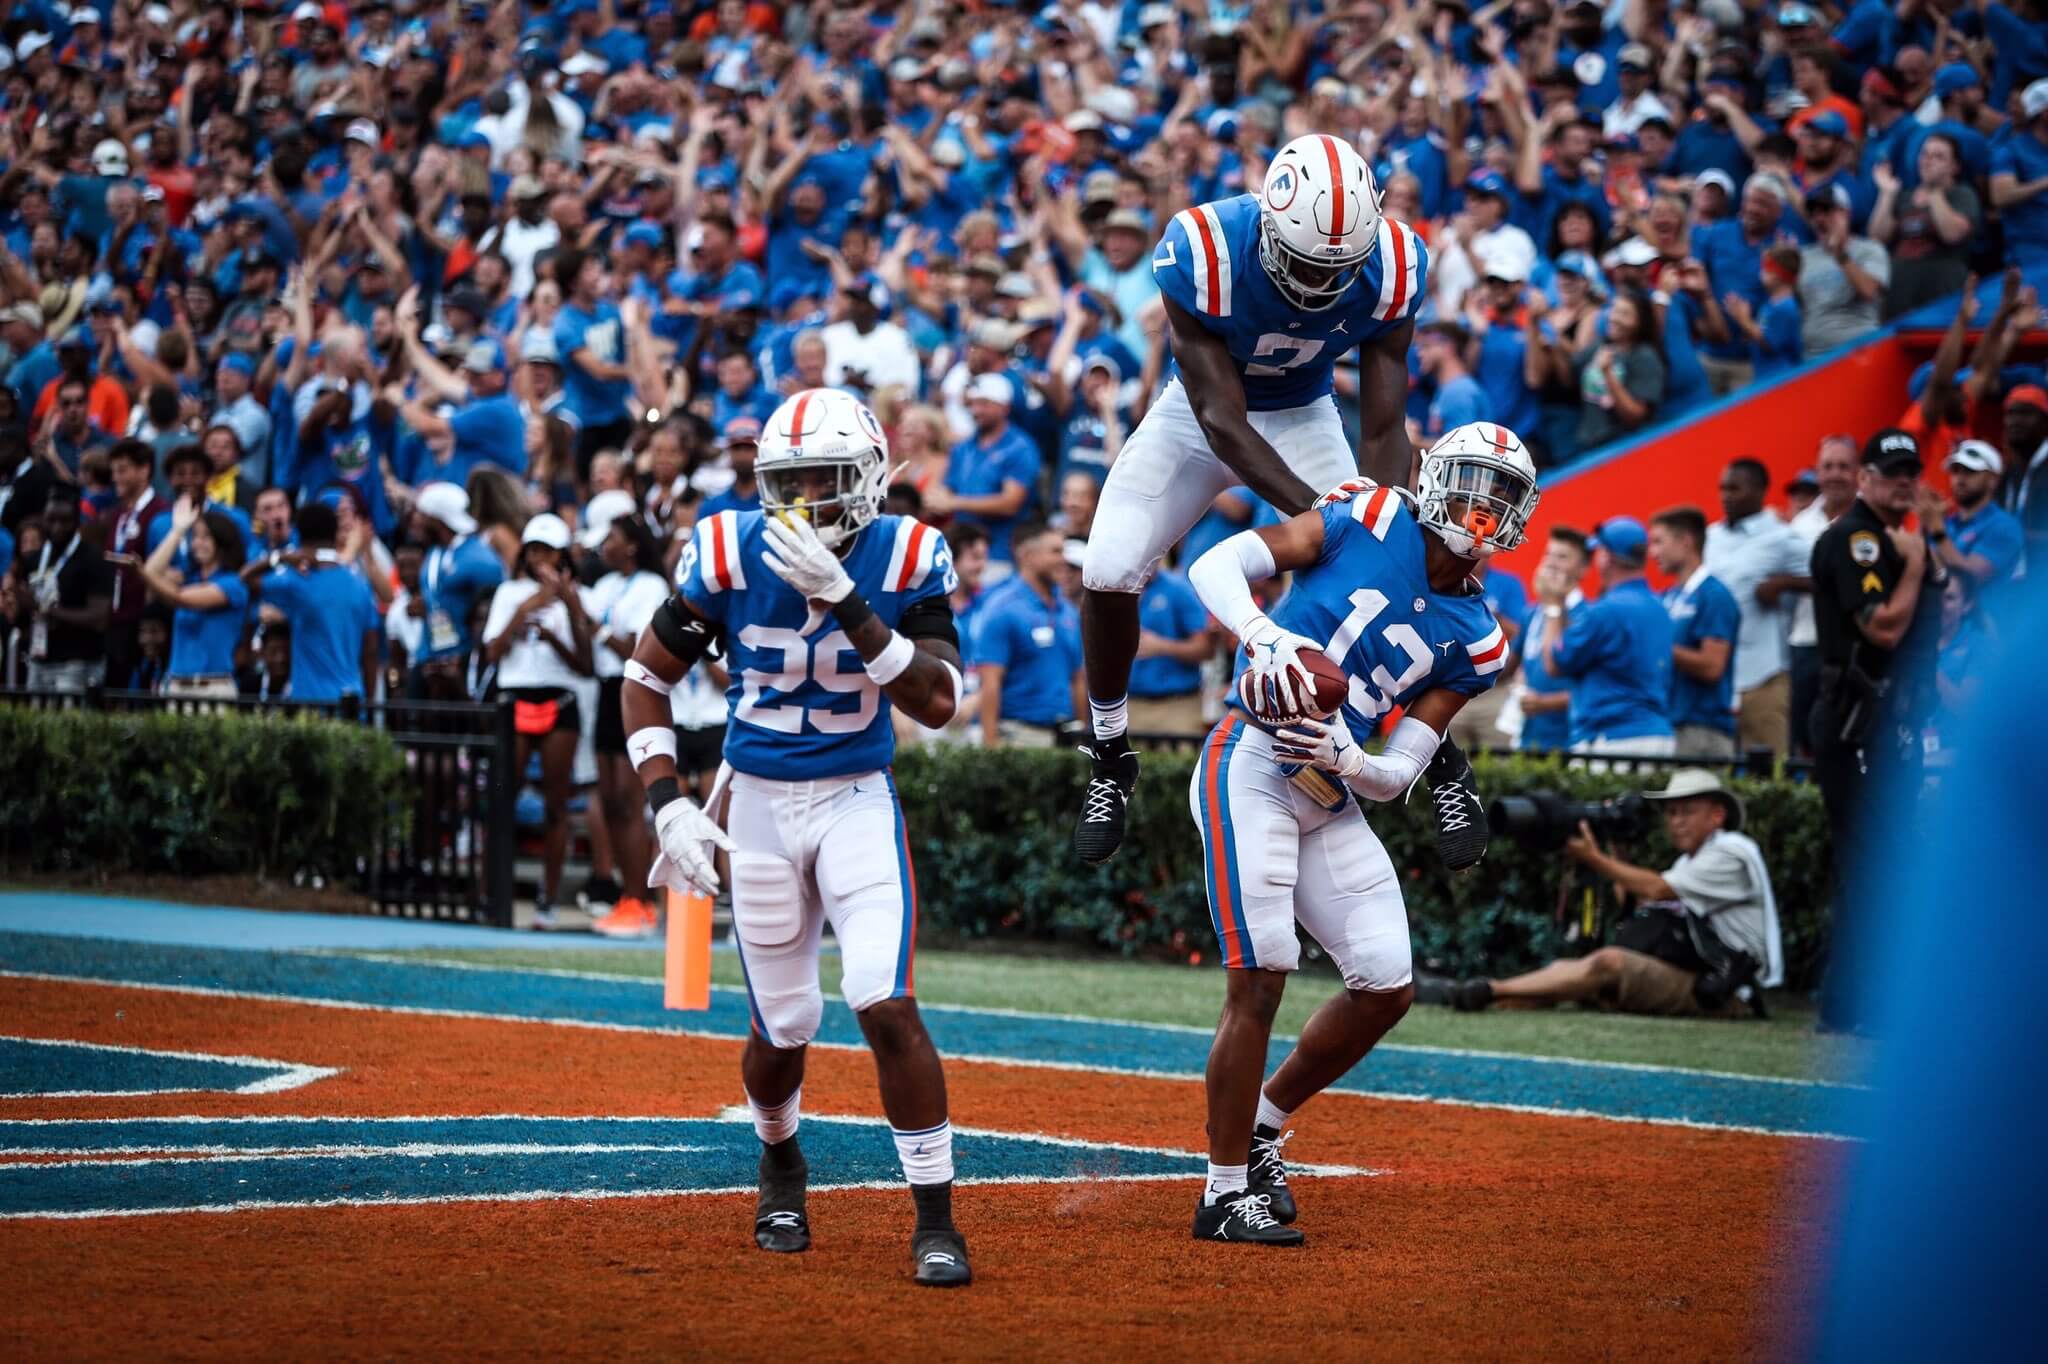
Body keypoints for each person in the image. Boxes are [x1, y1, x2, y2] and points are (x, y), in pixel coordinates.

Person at [617, 387, 973, 1287]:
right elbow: (643, 678)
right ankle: (780, 1162)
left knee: (883, 999)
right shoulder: (731, 547)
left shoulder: (908, 552)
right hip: (764, 804)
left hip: (856, 794)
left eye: (821, 481)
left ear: (865, 480)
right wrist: (667, 801)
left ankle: (936, 1219)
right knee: (783, 1027)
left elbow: (937, 701)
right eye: (787, 483)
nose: (802, 502)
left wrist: (850, 601)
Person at [1178, 424, 1540, 1245]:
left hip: (1329, 788)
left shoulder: (1480, 638)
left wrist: (1351, 754)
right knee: (1261, 976)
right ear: (1435, 478)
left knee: (1386, 983)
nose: (1484, 510)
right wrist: (1265, 635)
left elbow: (1400, 770)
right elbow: (1215, 563)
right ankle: (1223, 1193)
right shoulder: (1370, 513)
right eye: (1473, 486)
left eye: (1502, 498)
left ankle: (1264, 1130)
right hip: (1251, 760)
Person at [1072, 135, 1427, 868]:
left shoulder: (1393, 261)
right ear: (1268, 227)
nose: (1318, 283)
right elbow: (1223, 422)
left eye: (1337, 268)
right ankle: (1109, 754)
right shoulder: (1204, 246)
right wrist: (1332, 519)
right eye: (1302, 262)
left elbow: (1387, 424)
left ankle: (1434, 756)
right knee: (1106, 567)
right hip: (1198, 419)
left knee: (1390, 567)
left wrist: (1377, 518)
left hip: (1305, 413)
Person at [1446, 769, 1782, 1018]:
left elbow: (1656, 888)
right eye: (1672, 812)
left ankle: (1489, 990)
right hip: (1701, 976)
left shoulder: (1732, 851)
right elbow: (1640, 901)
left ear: (1717, 815)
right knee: (1579, 967)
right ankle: (1494, 996)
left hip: (1728, 989)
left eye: (1687, 811)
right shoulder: (1691, 860)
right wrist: (1612, 847)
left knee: (1609, 963)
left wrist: (1593, 858)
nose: (1677, 821)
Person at [1810, 429, 1943, 1032]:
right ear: (1864, 478)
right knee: (1870, 858)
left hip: (1888, 715)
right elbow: (1882, 629)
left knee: (1883, 857)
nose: (1904, 482)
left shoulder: (1894, 538)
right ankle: (1856, 1004)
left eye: (1911, 471)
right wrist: (1916, 565)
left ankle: (1860, 1001)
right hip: (1856, 714)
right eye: (1891, 472)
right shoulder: (1859, 540)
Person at [481, 513, 596, 926]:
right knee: (501, 798)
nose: (540, 557)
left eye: (548, 551)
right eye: (533, 550)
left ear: (562, 554)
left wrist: (567, 607)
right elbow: (492, 652)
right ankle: (490, 891)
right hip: (514, 698)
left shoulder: (578, 596)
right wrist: (526, 609)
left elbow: (586, 663)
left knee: (555, 805)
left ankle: (548, 900)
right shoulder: (508, 592)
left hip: (559, 696)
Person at [581, 515, 670, 941]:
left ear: (632, 545)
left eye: (612, 538)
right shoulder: (605, 586)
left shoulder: (651, 586)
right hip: (604, 688)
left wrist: (593, 626)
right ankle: (626, 898)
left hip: (632, 688)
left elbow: (635, 650)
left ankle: (642, 903)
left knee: (631, 803)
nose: (604, 546)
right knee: (612, 801)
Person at [1542, 516, 1676, 758]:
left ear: (1606, 557)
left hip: (1614, 741)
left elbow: (1554, 664)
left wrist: (1552, 604)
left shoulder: (1604, 611)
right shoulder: (1659, 607)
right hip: (1657, 735)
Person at [1705, 458, 1811, 757]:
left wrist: (1785, 582)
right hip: (1717, 678)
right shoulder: (1710, 537)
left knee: (1768, 777)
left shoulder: (1780, 537)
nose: (1725, 495)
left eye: (1735, 488)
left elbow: (1831, 576)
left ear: (1760, 490)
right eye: (1722, 488)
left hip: (1763, 676)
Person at [241, 502, 379, 705]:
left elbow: (244, 579)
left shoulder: (297, 582)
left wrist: (280, 558)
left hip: (309, 706)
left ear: (299, 537)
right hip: (351, 702)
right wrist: (368, 703)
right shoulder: (360, 585)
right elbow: (371, 650)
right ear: (334, 535)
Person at [117, 499, 250, 701]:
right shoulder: (190, 579)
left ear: (222, 541)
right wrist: (178, 530)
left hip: (212, 690)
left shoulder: (233, 585)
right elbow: (152, 571)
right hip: (176, 686)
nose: (197, 543)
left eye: (206, 537)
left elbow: (180, 598)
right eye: (195, 536)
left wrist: (141, 571)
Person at [973, 521, 1084, 748]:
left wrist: (1083, 734)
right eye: (1055, 552)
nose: (1063, 560)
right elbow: (990, 682)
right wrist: (991, 744)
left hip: (1067, 737)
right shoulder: (1002, 609)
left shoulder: (1069, 611)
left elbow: (1078, 679)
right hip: (1019, 735)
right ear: (1027, 556)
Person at [1788, 435, 1861, 755]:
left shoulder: (1873, 519)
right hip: (1806, 644)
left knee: (1849, 737)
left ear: (1858, 472)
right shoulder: (1799, 526)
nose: (1835, 474)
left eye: (1844, 466)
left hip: (1857, 646)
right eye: (1828, 466)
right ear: (1817, 472)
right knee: (1804, 740)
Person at [1650, 508, 1741, 759]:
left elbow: (1713, 666)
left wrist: (1657, 647)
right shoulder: (1669, 596)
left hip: (1703, 729)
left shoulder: (1715, 596)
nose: (1652, 552)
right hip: (1671, 723)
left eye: (1659, 541)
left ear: (1686, 541)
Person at [931, 373, 1037, 574]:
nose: (976, 410)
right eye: (973, 404)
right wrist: (936, 498)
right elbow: (947, 488)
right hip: (959, 552)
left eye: (984, 404)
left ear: (1004, 407)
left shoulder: (1019, 447)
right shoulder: (964, 447)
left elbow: (1010, 503)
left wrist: (954, 502)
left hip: (998, 553)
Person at [411, 482, 507, 699]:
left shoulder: (482, 560)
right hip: (427, 655)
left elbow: (491, 611)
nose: (416, 521)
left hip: (460, 662)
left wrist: (471, 655)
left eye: (422, 515)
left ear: (438, 519)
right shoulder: (434, 552)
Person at [15, 487, 111, 692]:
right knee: (36, 723)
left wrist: (45, 610)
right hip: (39, 659)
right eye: (51, 520)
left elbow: (99, 618)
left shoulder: (92, 558)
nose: (57, 528)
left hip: (78, 662)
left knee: (68, 723)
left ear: (77, 521)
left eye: (64, 521)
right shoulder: (34, 559)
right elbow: (22, 615)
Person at [1515, 528, 1588, 754]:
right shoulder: (1532, 613)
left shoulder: (1589, 617)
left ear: (1583, 568)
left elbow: (1594, 688)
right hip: (1529, 739)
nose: (1552, 563)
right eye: (1549, 554)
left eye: (1563, 557)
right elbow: (1511, 666)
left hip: (1570, 741)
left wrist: (1546, 703)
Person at [1798, 185, 1889, 358]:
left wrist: (1840, 255)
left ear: (1846, 214)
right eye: (1814, 213)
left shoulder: (1870, 250)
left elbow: (1869, 291)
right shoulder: (1804, 256)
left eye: (1827, 211)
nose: (1819, 218)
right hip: (1812, 358)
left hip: (1857, 354)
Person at [1924, 441, 2023, 598]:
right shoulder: (1947, 523)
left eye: (1970, 471)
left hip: (1988, 620)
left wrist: (1936, 530)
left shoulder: (2004, 526)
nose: (1960, 479)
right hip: (1945, 619)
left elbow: (1971, 576)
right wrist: (1924, 526)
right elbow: (1927, 569)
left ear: (1993, 480)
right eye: (1955, 470)